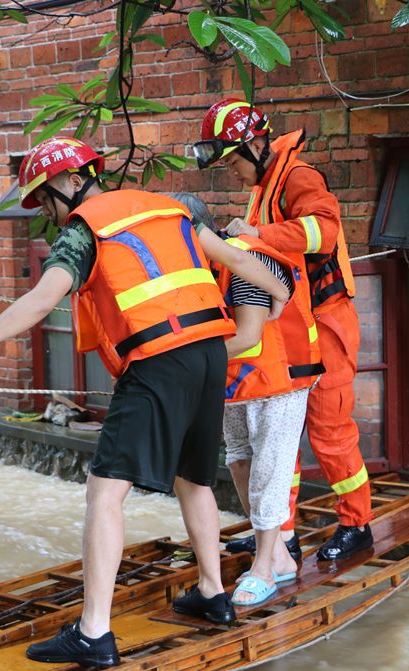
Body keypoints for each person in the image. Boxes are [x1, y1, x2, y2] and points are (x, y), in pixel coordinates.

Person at [0, 137, 290, 668]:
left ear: (71, 181)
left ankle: (94, 632)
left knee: (104, 492)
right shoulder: (167, 206)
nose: (48, 213)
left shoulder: (85, 229)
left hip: (159, 361)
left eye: (46, 200)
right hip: (209, 353)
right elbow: (235, 257)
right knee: (195, 478)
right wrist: (275, 293)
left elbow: (41, 299)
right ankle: (213, 594)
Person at [193, 99, 373, 562]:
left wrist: (256, 237)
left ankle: (357, 524)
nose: (231, 173)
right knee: (278, 432)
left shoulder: (298, 177)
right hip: (292, 326)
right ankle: (280, 532)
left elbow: (323, 234)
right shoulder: (264, 185)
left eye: (233, 161)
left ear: (255, 144)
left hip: (327, 322)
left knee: (330, 429)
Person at [168, 192, 321, 606]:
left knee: (269, 470)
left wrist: (181, 363)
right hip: (237, 383)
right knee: (239, 459)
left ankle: (264, 568)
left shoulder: (245, 263)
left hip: (280, 381)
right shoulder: (198, 267)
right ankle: (281, 557)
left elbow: (250, 335)